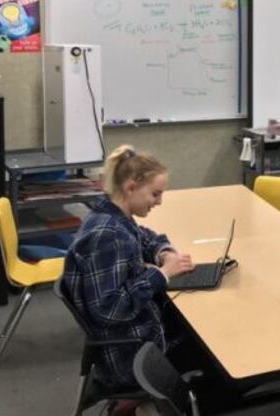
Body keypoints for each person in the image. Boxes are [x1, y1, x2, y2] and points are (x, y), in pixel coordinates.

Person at [62, 146, 196, 392]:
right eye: (155, 194)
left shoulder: (112, 214)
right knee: (213, 352)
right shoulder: (107, 236)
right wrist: (161, 273)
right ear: (131, 187)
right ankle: (151, 403)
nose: (159, 202)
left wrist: (164, 253)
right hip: (131, 355)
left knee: (197, 323)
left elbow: (143, 237)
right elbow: (109, 310)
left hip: (137, 332)